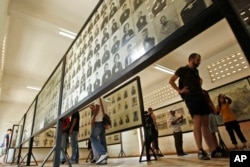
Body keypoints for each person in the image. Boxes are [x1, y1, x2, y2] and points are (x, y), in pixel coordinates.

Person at [169, 53, 224, 160]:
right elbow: (171, 81)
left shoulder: (196, 71)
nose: (199, 62)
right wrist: (180, 90)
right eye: (197, 60)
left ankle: (213, 150)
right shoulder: (182, 70)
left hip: (200, 97)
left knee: (206, 124)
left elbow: (198, 83)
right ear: (191, 59)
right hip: (191, 97)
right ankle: (200, 150)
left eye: (200, 60)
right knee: (197, 121)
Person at [90, 99, 108, 164]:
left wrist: (93, 118)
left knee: (92, 137)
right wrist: (93, 109)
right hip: (103, 122)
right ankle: (104, 159)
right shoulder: (104, 100)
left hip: (98, 121)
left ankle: (103, 153)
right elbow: (100, 110)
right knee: (102, 139)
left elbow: (97, 107)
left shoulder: (97, 98)